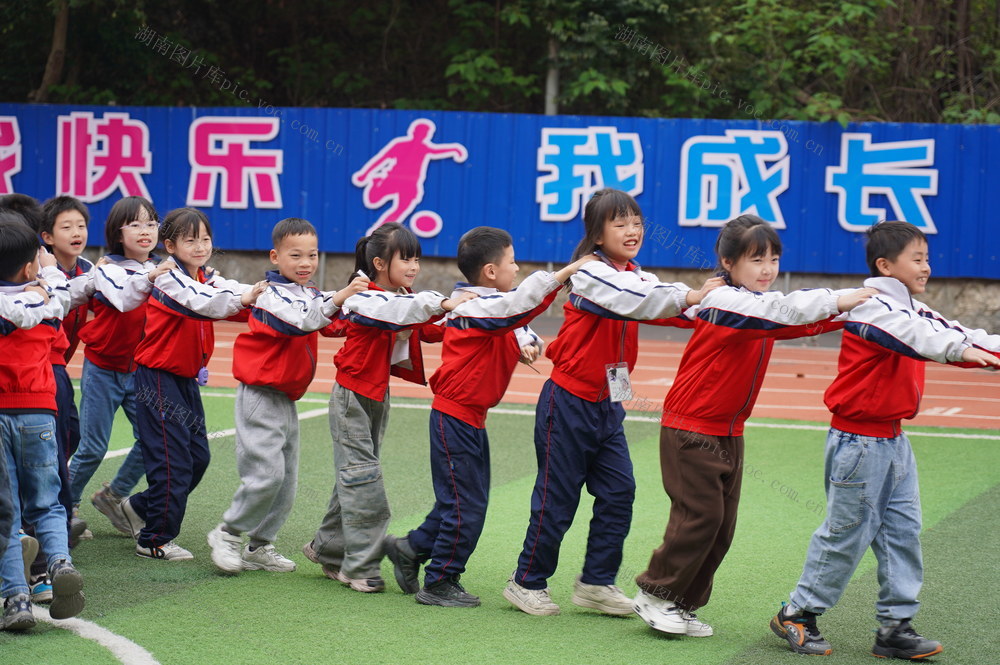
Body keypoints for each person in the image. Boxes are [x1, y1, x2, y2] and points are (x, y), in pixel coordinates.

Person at [613, 214, 875, 637]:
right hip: (691, 427)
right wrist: (841, 299)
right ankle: (655, 594)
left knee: (721, 526)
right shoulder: (726, 303)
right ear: (728, 262)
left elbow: (795, 321)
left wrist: (855, 313)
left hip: (729, 431)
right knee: (700, 516)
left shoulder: (758, 307)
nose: (768, 268)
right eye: (757, 259)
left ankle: (681, 604)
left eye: (773, 258)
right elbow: (781, 311)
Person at [771, 221, 1000, 659]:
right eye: (917, 259)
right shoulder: (873, 308)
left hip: (893, 440)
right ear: (885, 265)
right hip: (859, 442)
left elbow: (957, 332)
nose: (927, 267)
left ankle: (895, 627)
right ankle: (796, 614)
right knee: (846, 534)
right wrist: (960, 353)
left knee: (903, 533)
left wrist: (976, 347)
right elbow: (923, 340)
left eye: (927, 258)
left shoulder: (910, 306)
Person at [503, 189, 719, 618]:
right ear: (597, 235)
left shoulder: (636, 275)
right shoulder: (591, 276)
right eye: (619, 223)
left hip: (608, 405)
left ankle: (596, 582)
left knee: (620, 492)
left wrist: (720, 301)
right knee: (556, 499)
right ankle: (526, 581)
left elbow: (661, 302)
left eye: (636, 222)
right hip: (567, 403)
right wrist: (691, 294)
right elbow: (646, 299)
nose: (632, 230)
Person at [383, 227, 596, 607]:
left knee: (463, 501)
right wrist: (570, 270)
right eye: (512, 262)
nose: (517, 268)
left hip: (469, 419)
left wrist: (527, 346)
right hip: (455, 418)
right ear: (490, 272)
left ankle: (410, 548)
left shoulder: (492, 304)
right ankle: (440, 581)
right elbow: (518, 306)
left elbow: (518, 326)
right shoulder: (476, 307)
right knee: (467, 505)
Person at [303, 222, 474, 593]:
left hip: (377, 394)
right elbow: (395, 313)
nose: (414, 266)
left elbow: (428, 327)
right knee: (363, 479)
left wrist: (465, 314)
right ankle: (359, 565)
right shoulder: (370, 298)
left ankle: (328, 549)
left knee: (356, 473)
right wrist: (443, 303)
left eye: (417, 259)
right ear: (380, 262)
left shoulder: (403, 295)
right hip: (351, 394)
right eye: (406, 258)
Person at [207, 217, 367, 574]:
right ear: (275, 256)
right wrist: (340, 297)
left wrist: (364, 301)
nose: (306, 263)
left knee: (286, 482)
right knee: (266, 476)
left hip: (286, 398)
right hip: (260, 396)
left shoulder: (308, 294)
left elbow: (331, 318)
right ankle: (227, 533)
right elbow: (304, 320)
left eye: (311, 255)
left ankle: (259, 545)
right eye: (296, 255)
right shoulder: (270, 295)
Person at [112, 208, 264, 560]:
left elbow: (229, 290)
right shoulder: (168, 277)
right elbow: (205, 304)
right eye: (190, 239)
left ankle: (137, 507)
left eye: (205, 239)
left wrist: (267, 291)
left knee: (197, 457)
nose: (200, 246)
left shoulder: (205, 276)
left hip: (184, 380)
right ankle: (154, 538)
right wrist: (243, 299)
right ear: (171, 245)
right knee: (172, 461)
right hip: (157, 379)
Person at [0, 216, 85, 631]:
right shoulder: (47, 302)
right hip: (39, 412)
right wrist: (47, 272)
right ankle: (58, 561)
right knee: (47, 500)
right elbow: (64, 295)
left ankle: (16, 599)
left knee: (5, 511)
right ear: (31, 265)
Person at [69, 197, 172, 535]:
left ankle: (113, 496)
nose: (146, 231)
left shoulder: (164, 269)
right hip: (103, 369)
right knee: (92, 448)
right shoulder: (107, 270)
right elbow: (126, 300)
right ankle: (62, 507)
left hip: (141, 372)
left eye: (151, 223)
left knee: (153, 440)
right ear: (117, 231)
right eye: (136, 224)